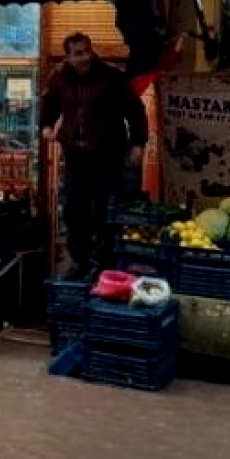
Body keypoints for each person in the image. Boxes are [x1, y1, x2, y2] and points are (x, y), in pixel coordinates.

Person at [40, 32, 148, 280]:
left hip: (106, 157)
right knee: (73, 212)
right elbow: (49, 105)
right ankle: (79, 262)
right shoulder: (59, 79)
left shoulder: (112, 78)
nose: (85, 57)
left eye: (87, 50)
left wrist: (138, 144)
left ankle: (100, 264)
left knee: (101, 214)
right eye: (78, 53)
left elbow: (135, 111)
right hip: (75, 157)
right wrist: (46, 126)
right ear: (68, 56)